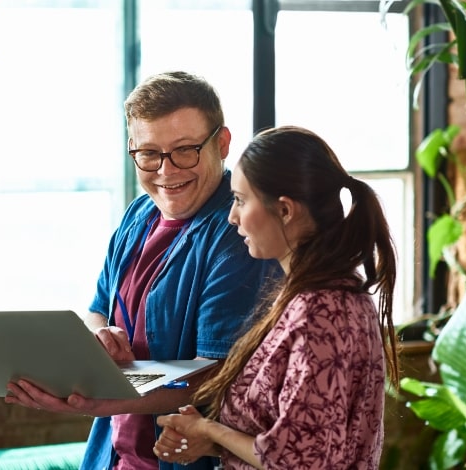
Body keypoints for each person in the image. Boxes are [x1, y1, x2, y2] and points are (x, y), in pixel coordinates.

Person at [4, 71, 278, 469]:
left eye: (185, 150)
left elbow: (218, 373)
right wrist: (99, 337)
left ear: (222, 143)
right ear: (132, 148)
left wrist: (103, 397)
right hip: (113, 457)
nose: (166, 171)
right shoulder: (139, 215)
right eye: (149, 154)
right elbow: (97, 308)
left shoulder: (240, 232)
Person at [153, 126, 401, 468]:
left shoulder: (322, 311)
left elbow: (299, 460)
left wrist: (211, 430)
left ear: (285, 210)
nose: (232, 216)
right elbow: (289, 439)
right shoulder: (320, 295)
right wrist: (205, 438)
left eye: (240, 200)